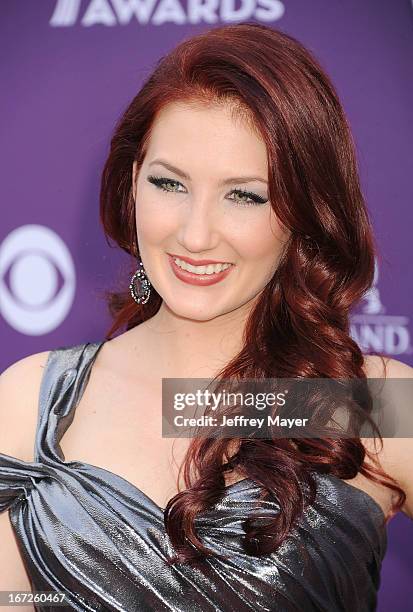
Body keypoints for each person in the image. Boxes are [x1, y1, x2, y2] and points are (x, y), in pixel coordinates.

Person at [0, 21, 412, 612]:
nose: (195, 235)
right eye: (169, 183)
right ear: (131, 184)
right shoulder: (30, 403)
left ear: (304, 211)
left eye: (245, 195)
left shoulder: (369, 404)